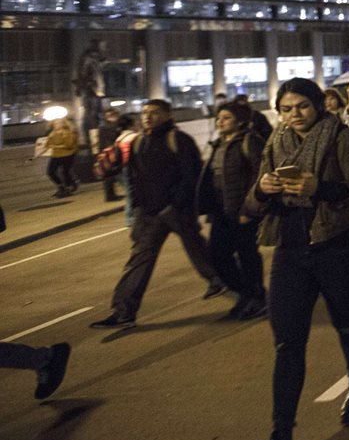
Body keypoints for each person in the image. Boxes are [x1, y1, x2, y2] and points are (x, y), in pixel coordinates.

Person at [239, 78, 349, 440]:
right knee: (287, 343)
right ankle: (281, 439)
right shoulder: (275, 143)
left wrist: (320, 187)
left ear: (318, 105)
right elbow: (251, 205)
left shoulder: (344, 137)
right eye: (286, 109)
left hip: (334, 245)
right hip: (289, 250)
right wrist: (262, 189)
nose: (294, 114)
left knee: (346, 321)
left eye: (301, 106)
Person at [92, 100, 224, 329]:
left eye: (154, 112)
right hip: (150, 214)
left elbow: (192, 176)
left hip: (176, 211)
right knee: (139, 261)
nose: (148, 116)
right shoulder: (138, 142)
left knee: (197, 248)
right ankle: (123, 312)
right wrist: (138, 207)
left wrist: (175, 203)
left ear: (167, 114)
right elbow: (134, 178)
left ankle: (226, 281)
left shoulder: (179, 140)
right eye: (145, 112)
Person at [197, 101, 267, 320]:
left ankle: (256, 298)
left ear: (240, 120)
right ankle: (246, 293)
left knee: (247, 256)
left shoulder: (249, 141)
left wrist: (250, 208)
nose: (220, 122)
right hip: (221, 211)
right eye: (219, 118)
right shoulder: (218, 143)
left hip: (243, 211)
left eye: (226, 118)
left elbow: (259, 175)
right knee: (217, 255)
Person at [45, 117, 80, 198]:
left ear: (63, 123)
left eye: (58, 123)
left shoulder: (67, 132)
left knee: (65, 172)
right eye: (55, 123)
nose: (56, 125)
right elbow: (48, 145)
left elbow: (69, 145)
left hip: (67, 154)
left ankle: (70, 186)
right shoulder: (52, 133)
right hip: (56, 155)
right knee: (50, 172)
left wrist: (56, 146)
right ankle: (61, 186)